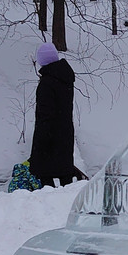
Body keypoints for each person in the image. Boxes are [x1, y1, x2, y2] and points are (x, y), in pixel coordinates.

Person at [29, 42, 87, 188]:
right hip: (65, 132)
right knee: (64, 174)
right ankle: (66, 201)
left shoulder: (47, 83)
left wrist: (41, 140)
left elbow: (45, 115)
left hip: (49, 135)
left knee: (44, 175)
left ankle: (48, 205)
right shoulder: (65, 78)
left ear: (42, 61)